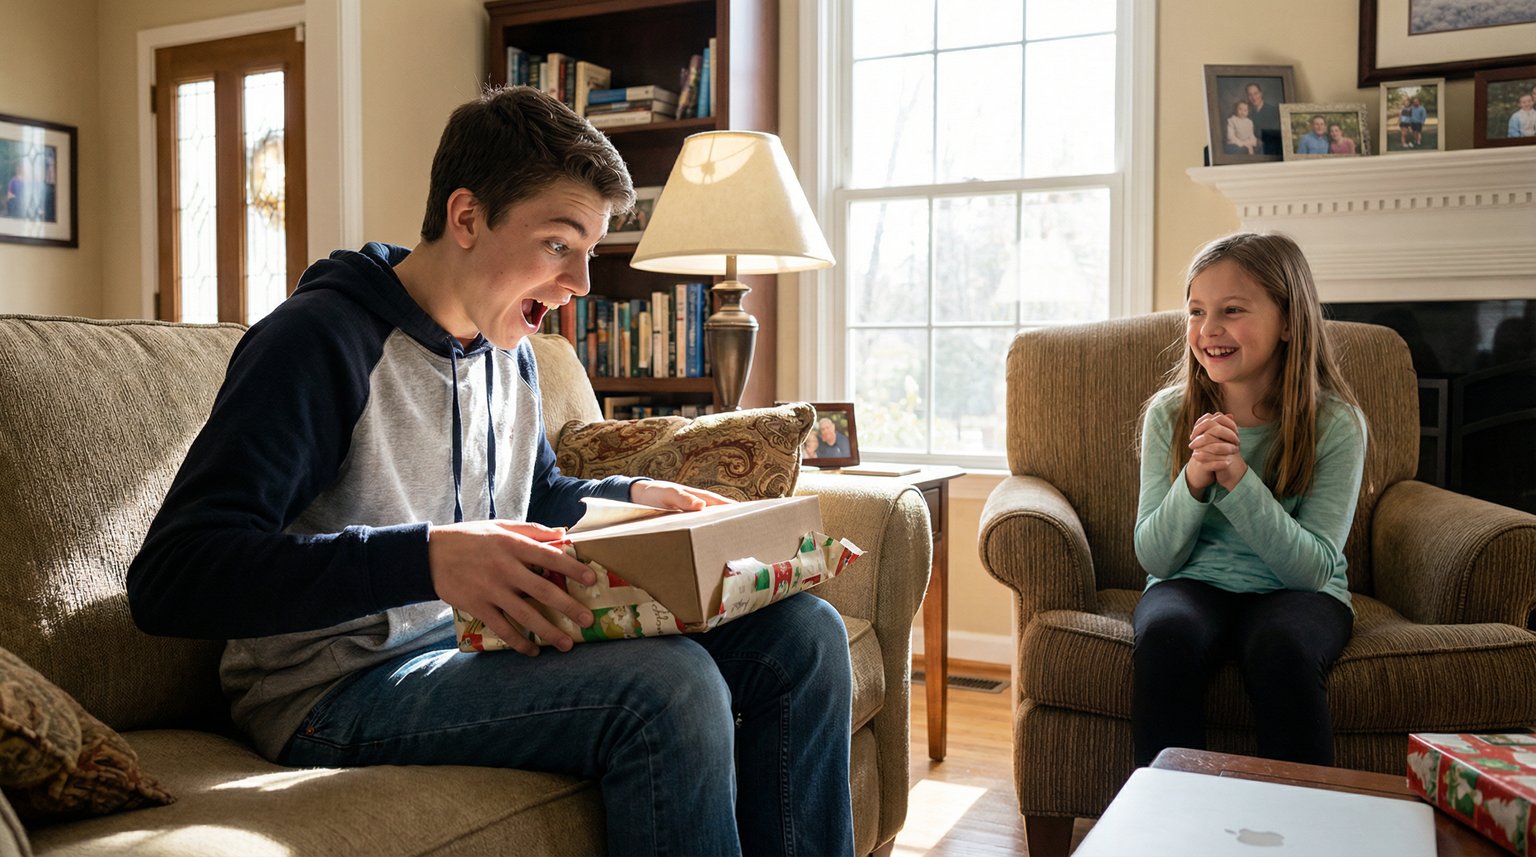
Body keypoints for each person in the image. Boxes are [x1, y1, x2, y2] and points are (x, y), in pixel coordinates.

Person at [126, 85, 856, 857]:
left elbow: (534, 494)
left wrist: (635, 496)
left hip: (477, 645)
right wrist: (429, 558)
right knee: (670, 688)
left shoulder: (508, 351)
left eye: (590, 254)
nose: (579, 285)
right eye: (558, 244)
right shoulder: (317, 344)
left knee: (803, 636)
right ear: (466, 217)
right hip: (335, 688)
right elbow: (174, 575)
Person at [1130, 231, 1367, 768]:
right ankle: (1167, 826)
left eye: (1231, 310)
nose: (1208, 329)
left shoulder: (1336, 423)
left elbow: (1310, 571)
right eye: (1195, 311)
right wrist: (1195, 477)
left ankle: (1298, 828)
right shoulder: (1168, 415)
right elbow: (1156, 557)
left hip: (1299, 593)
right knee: (1167, 635)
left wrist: (1237, 479)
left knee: (1280, 646)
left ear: (1288, 322)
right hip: (1193, 583)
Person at [1245, 82, 1283, 155]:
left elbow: (1275, 135)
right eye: (1250, 95)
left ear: (1261, 94)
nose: (1253, 98)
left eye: (1255, 93)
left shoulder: (1273, 111)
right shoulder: (1247, 114)